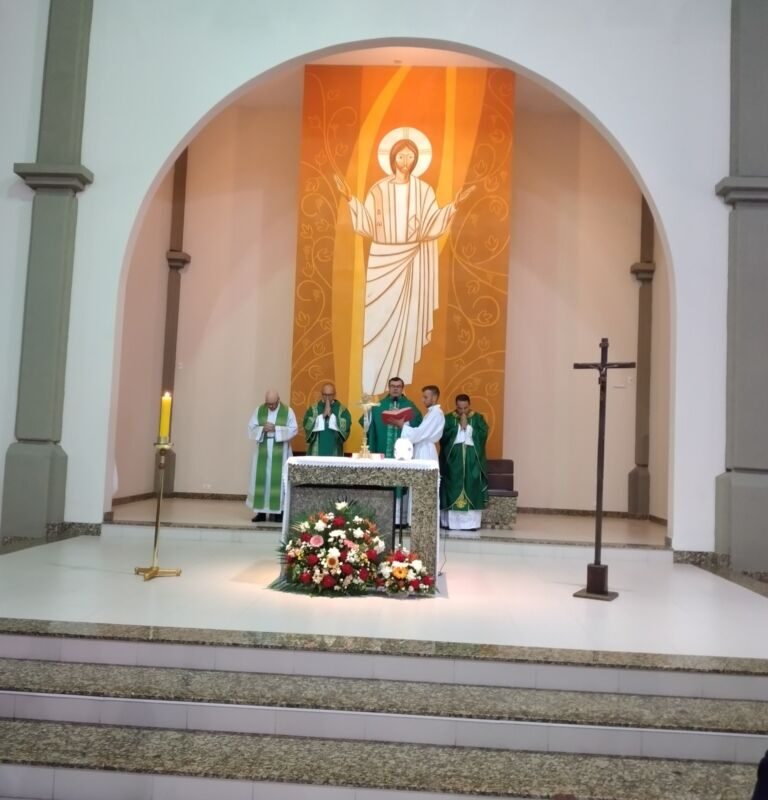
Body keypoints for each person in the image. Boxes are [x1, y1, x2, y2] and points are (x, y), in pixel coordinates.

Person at [335, 132, 475, 395]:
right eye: (401, 156)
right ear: (392, 158)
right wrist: (350, 198)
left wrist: (454, 205)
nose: (406, 161)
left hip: (411, 261)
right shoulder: (378, 189)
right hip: (382, 262)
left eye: (411, 156)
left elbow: (432, 223)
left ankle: (397, 384)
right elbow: (366, 225)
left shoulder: (423, 190)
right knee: (377, 325)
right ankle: (372, 388)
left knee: (405, 324)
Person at [246, 389, 298, 523]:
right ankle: (261, 512)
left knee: (280, 481)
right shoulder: (259, 410)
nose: (270, 406)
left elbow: (294, 429)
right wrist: (262, 429)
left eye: (273, 404)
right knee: (262, 480)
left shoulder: (288, 411)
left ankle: (279, 512)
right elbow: (250, 428)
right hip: (262, 451)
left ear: (278, 400)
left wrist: (276, 429)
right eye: (268, 404)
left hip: (281, 451)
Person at [439, 393, 489, 532]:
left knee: (472, 485)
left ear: (469, 405)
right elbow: (443, 437)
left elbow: (483, 434)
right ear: (456, 406)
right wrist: (458, 428)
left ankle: (471, 524)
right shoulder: (448, 418)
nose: (462, 411)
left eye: (465, 408)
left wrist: (469, 428)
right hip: (453, 461)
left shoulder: (478, 418)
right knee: (452, 485)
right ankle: (452, 523)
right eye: (460, 408)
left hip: (472, 460)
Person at [362, 376, 423, 458]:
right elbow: (366, 423)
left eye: (398, 386)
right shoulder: (378, 406)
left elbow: (418, 424)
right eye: (393, 386)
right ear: (389, 388)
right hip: (382, 448)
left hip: (403, 450)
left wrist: (405, 423)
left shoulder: (410, 405)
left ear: (402, 389)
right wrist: (367, 412)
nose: (395, 389)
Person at [390, 384, 445, 462]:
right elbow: (420, 431)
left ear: (434, 398)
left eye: (425, 397)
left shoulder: (436, 413)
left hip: (426, 451)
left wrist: (402, 425)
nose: (423, 400)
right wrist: (402, 420)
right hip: (422, 448)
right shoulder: (431, 412)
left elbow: (420, 433)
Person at [302, 383, 352, 456]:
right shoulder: (313, 409)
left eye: (330, 395)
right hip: (316, 451)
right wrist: (322, 416)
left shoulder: (342, 410)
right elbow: (307, 425)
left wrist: (331, 415)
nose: (327, 398)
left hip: (334, 449)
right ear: (321, 394)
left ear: (334, 394)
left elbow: (346, 427)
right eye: (325, 395)